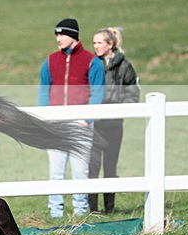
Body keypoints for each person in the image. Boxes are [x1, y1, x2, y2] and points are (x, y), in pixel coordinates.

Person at [38, 18, 105, 218]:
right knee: (56, 172)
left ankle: (80, 211)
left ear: (73, 35)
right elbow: (44, 90)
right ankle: (55, 212)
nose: (58, 39)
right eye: (56, 35)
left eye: (62, 34)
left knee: (80, 171)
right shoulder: (50, 61)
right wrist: (46, 117)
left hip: (81, 125)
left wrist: (86, 119)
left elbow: (98, 92)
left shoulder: (92, 61)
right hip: (56, 125)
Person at [88, 27, 140, 214]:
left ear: (110, 44)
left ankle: (109, 209)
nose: (96, 46)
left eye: (99, 42)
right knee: (93, 167)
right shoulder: (92, 64)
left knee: (110, 166)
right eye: (94, 43)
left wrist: (118, 109)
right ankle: (93, 211)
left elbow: (133, 93)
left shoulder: (125, 66)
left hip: (114, 124)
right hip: (94, 123)